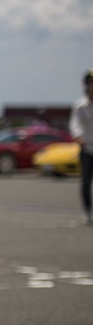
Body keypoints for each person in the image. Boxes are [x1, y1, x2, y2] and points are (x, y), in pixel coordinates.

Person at [71, 69, 93, 225]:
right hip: (86, 148)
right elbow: (75, 124)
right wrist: (78, 136)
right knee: (86, 180)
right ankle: (88, 211)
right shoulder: (80, 106)